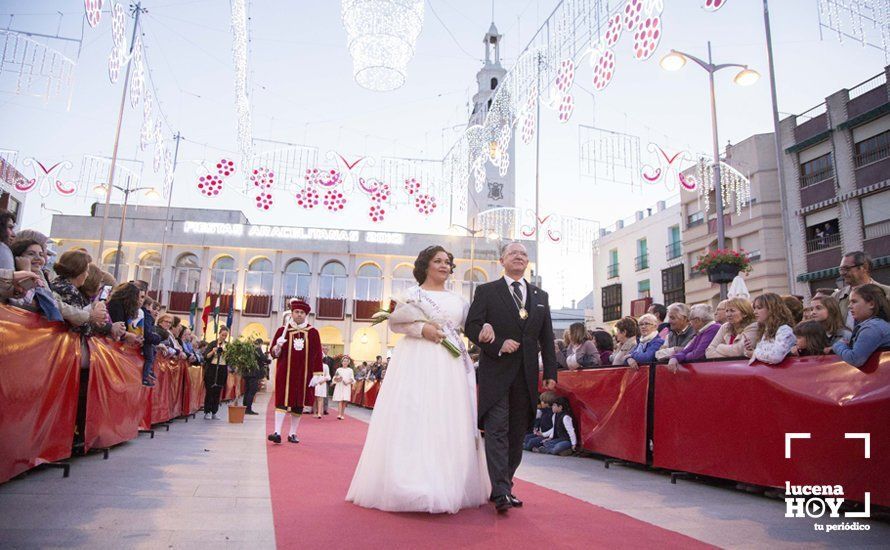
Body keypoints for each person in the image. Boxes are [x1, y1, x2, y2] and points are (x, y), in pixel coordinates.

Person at [348, 245, 492, 514]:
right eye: (438, 261)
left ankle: (446, 481)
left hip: (449, 366)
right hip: (416, 360)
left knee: (445, 418)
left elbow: (470, 326)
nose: (444, 265)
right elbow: (395, 324)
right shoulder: (411, 295)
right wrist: (421, 328)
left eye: (448, 262)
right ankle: (409, 481)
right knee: (414, 414)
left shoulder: (459, 301)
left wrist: (485, 326)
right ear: (425, 265)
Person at [465, 241, 558, 514]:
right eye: (513, 253)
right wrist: (495, 343)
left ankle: (503, 485)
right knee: (497, 431)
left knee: (518, 433)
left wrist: (551, 372)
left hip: (527, 375)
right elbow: (471, 326)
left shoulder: (540, 295)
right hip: (496, 371)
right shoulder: (487, 291)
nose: (519, 257)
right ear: (502, 261)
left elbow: (547, 339)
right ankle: (502, 491)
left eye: (523, 254)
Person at [268, 299, 323, 444]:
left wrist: (317, 374)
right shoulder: (282, 331)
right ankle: (277, 432)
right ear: (292, 313)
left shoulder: (313, 333)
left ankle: (292, 433)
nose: (299, 315)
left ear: (306, 315)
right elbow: (273, 354)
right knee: (281, 401)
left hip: (303, 374)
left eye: (302, 313)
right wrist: (277, 347)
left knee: (298, 403)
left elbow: (318, 354)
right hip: (285, 372)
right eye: (296, 312)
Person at [831, 284, 890, 368]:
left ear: (871, 304)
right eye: (849, 302)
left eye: (854, 302)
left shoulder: (872, 327)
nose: (849, 306)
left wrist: (838, 345)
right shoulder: (878, 324)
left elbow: (855, 359)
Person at [832, 251, 890, 330]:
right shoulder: (836, 297)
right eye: (841, 269)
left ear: (864, 267)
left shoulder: (886, 292)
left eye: (847, 269)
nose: (842, 273)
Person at [0, 210, 42, 300]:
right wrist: (24, 273)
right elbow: (24, 302)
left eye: (41, 254)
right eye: (10, 228)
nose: (14, 234)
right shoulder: (3, 248)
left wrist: (19, 289)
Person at [667, 304, 721, 373]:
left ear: (697, 320)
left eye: (690, 320)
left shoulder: (714, 328)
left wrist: (682, 358)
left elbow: (698, 355)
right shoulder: (701, 332)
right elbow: (686, 350)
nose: (690, 324)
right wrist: (675, 357)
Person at [748, 293, 796, 365]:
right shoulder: (765, 330)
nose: (755, 312)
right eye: (754, 308)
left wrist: (755, 353)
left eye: (759, 308)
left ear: (772, 309)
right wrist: (750, 350)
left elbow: (776, 356)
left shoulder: (784, 330)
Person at [203, 327, 230, 419]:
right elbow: (206, 356)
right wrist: (213, 351)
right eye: (222, 335)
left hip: (222, 368)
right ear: (219, 334)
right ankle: (207, 411)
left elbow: (230, 359)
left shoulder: (227, 345)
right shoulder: (213, 344)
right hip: (212, 368)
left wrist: (227, 353)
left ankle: (214, 411)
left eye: (226, 336)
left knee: (218, 391)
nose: (224, 337)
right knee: (210, 390)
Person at [243, 338, 269, 415]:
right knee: (252, 391)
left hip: (247, 373)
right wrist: (268, 360)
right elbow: (263, 358)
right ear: (260, 343)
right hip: (254, 374)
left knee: (247, 391)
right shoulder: (258, 349)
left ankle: (244, 407)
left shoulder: (249, 349)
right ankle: (248, 409)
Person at [332, 355, 356, 420]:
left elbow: (352, 379)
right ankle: (339, 414)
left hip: (346, 386)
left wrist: (347, 382)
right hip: (340, 386)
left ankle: (342, 414)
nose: (345, 362)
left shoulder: (350, 370)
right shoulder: (338, 369)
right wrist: (338, 379)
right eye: (344, 361)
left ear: (348, 363)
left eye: (346, 361)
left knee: (344, 401)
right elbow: (335, 378)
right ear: (342, 362)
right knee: (340, 400)